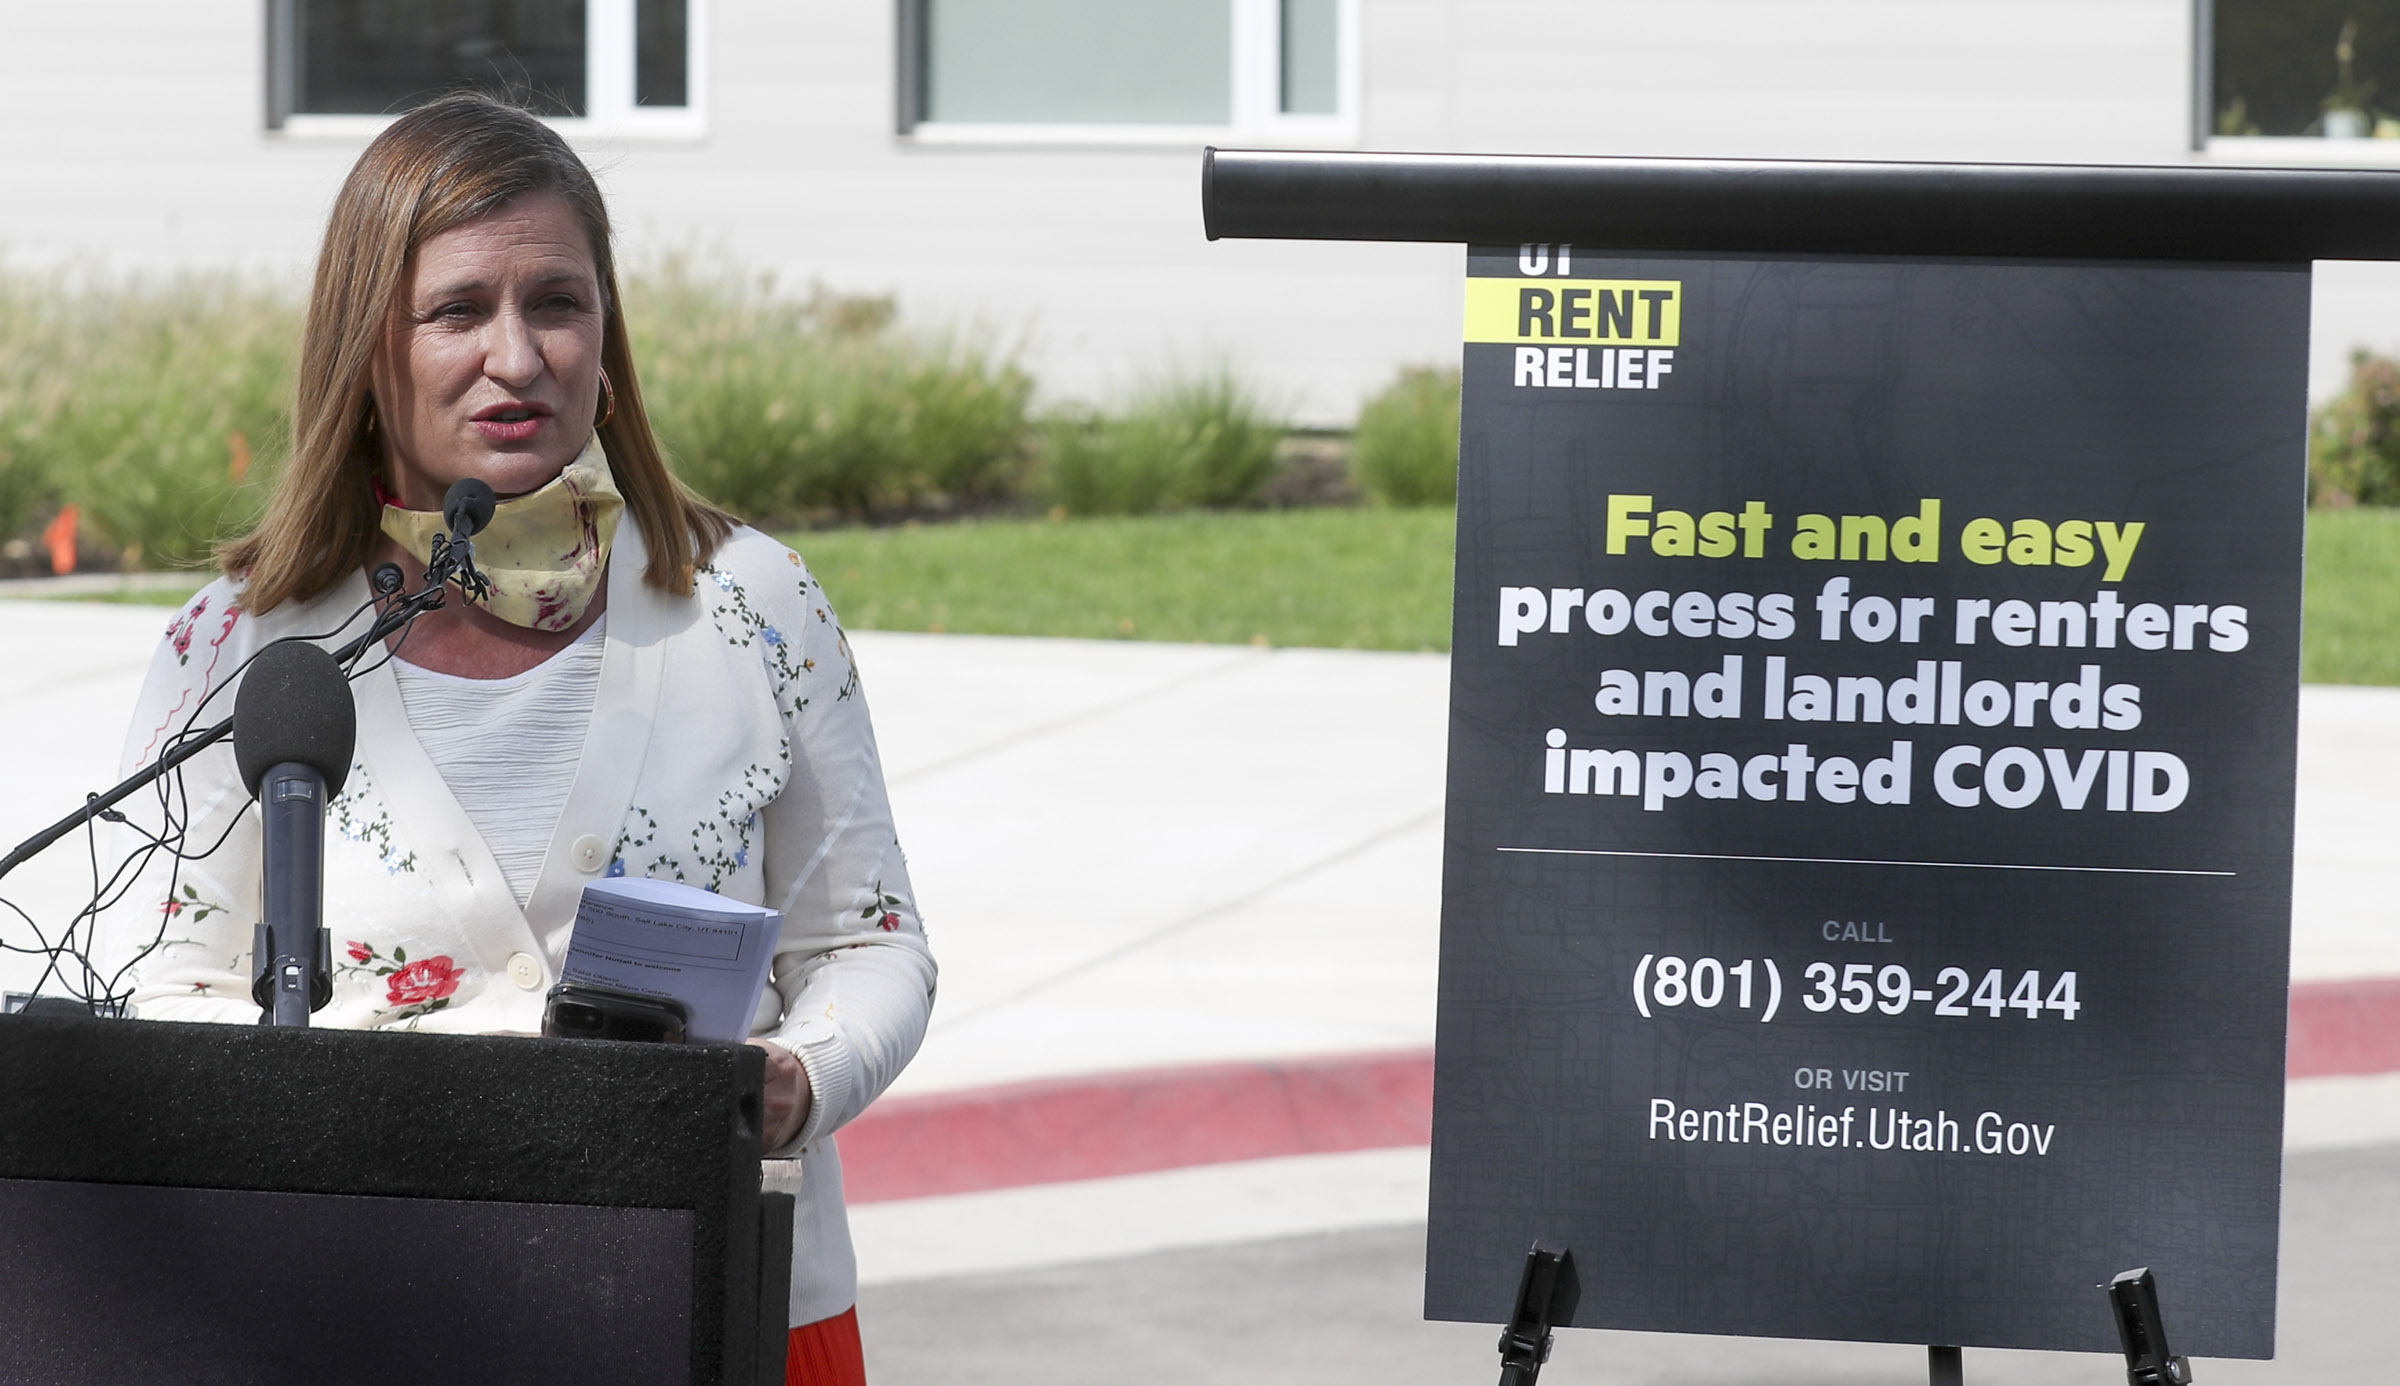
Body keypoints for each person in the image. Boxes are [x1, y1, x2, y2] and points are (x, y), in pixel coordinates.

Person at [97, 92, 932, 1385]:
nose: (519, 354)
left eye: (557, 302)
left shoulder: (752, 604)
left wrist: (791, 1080)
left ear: (608, 334)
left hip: (727, 1303)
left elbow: (874, 949)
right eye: (458, 311)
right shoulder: (241, 647)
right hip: (370, 1318)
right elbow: (161, 988)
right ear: (367, 346)